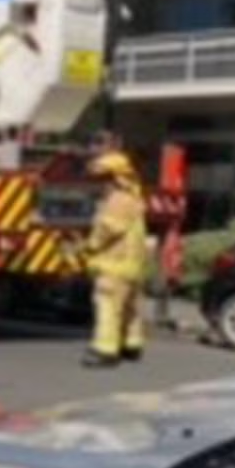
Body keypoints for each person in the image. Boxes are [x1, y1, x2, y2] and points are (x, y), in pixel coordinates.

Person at [82, 150, 148, 368]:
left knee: (108, 308)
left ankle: (105, 351)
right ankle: (131, 345)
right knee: (130, 309)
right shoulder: (133, 197)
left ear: (114, 177)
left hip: (115, 266)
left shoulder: (117, 200)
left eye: (101, 179)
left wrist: (90, 245)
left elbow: (109, 228)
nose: (99, 184)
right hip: (132, 266)